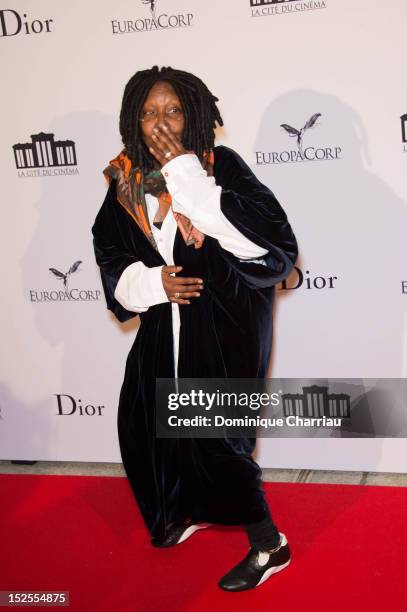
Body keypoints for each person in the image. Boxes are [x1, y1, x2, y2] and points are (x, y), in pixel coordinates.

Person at [91, 65, 298, 592]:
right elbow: (113, 259)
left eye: (174, 111)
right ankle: (183, 509)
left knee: (216, 437)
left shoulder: (218, 167)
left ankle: (269, 545)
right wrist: (155, 282)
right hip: (164, 330)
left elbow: (266, 245)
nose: (160, 122)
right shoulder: (125, 183)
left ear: (196, 117)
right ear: (131, 120)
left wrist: (186, 173)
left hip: (224, 327)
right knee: (148, 426)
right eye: (149, 113)